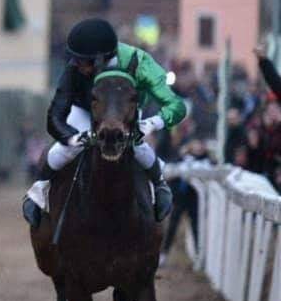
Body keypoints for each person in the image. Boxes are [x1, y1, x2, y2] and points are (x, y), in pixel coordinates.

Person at [22, 17, 187, 228]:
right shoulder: (75, 66)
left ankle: (159, 185)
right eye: (76, 60)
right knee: (64, 150)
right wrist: (72, 138)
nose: (77, 66)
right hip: (84, 111)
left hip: (127, 111)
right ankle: (38, 191)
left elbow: (177, 106)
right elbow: (54, 116)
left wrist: (152, 123)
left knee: (137, 146)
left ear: (102, 58)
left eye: (84, 62)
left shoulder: (141, 64)